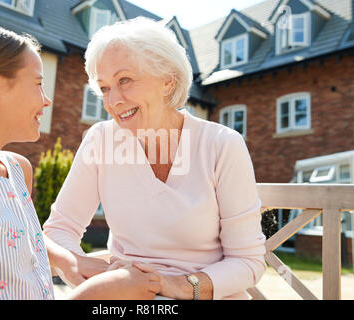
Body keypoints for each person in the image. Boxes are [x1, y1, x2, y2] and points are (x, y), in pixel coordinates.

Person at [0, 24, 160, 300]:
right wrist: (95, 295)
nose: (47, 100)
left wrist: (69, 260)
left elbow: (15, 241)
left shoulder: (17, 169)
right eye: (39, 84)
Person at [43, 17, 267, 300]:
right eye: (104, 88)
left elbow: (248, 261)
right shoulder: (101, 140)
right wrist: (76, 262)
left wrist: (176, 286)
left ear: (167, 81)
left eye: (125, 80)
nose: (113, 101)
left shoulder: (222, 145)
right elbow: (57, 231)